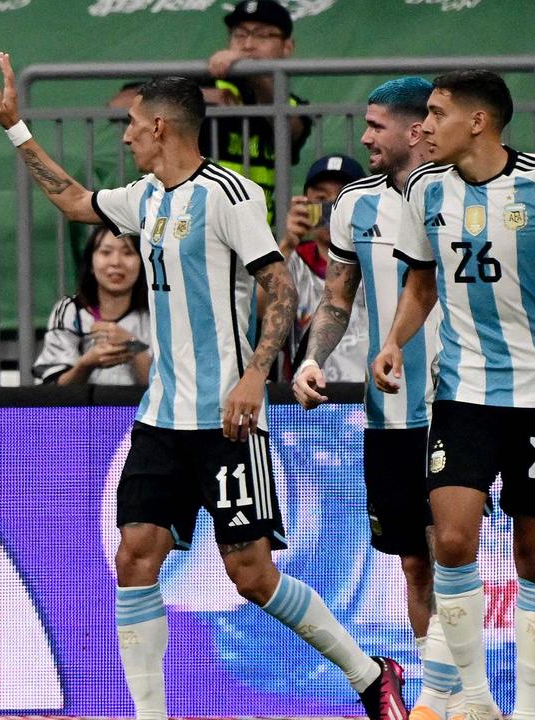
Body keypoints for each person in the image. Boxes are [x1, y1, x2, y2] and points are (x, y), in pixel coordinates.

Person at [0, 52, 407, 720]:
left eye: (132, 124)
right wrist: (16, 128)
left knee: (251, 577)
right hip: (162, 419)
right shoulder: (144, 198)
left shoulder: (229, 194)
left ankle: (367, 674)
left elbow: (276, 287)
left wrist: (251, 376)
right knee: (135, 558)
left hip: (227, 419)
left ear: (162, 127)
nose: (123, 137)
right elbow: (73, 200)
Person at [294, 77, 465, 720]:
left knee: (457, 552)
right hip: (388, 410)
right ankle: (434, 695)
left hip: (465, 404)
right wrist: (313, 357)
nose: (363, 137)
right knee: (415, 562)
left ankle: (464, 693)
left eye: (374, 126)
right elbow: (338, 297)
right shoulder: (354, 207)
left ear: (414, 126)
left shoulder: (467, 190)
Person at [372, 69, 535, 720]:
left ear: (479, 121)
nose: (424, 127)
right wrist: (392, 342)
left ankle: (527, 705)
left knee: (531, 554)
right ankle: (472, 701)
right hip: (463, 394)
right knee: (454, 541)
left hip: (533, 396)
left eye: (436, 114)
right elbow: (422, 284)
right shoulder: (426, 192)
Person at [205, 0, 312, 221]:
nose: (248, 44)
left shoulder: (291, 105)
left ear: (287, 47)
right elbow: (122, 103)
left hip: (262, 233)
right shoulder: (205, 84)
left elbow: (291, 130)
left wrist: (249, 67)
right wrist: (199, 97)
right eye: (239, 35)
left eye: (262, 35)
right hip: (205, 227)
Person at [279, 154, 369, 380]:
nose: (332, 210)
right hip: (307, 399)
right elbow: (260, 309)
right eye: (321, 199)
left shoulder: (377, 260)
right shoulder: (296, 259)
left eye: (342, 199)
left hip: (368, 397)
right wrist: (288, 243)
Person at [33, 225, 151, 385]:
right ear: (90, 263)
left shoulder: (156, 313)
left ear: (143, 263)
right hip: (83, 410)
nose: (116, 262)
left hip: (137, 410)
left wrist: (132, 344)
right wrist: (87, 363)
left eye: (128, 252)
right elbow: (55, 391)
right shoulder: (70, 310)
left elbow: (163, 391)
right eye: (106, 252)